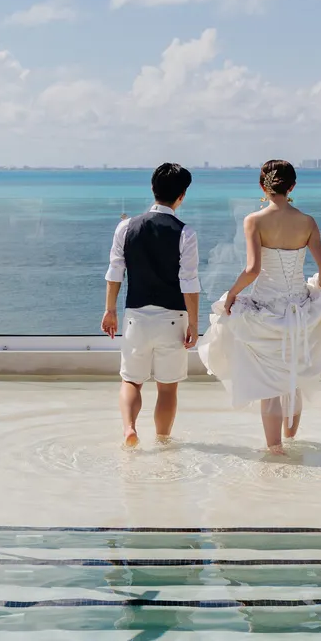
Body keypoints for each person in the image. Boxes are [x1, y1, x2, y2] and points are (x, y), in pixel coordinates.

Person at [198, 159, 321, 455]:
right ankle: (290, 438)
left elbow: (252, 270)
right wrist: (318, 294)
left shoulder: (254, 220)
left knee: (269, 382)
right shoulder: (308, 222)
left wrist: (232, 295)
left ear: (263, 186)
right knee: (294, 378)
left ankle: (274, 449)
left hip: (265, 310)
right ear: (292, 186)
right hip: (300, 309)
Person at [102, 163, 200, 447]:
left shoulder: (126, 227)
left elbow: (115, 272)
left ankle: (130, 428)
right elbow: (189, 282)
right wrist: (193, 323)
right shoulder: (185, 232)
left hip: (136, 317)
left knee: (131, 381)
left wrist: (110, 310)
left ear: (152, 189)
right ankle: (163, 441)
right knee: (168, 389)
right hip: (173, 318)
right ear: (181, 196)